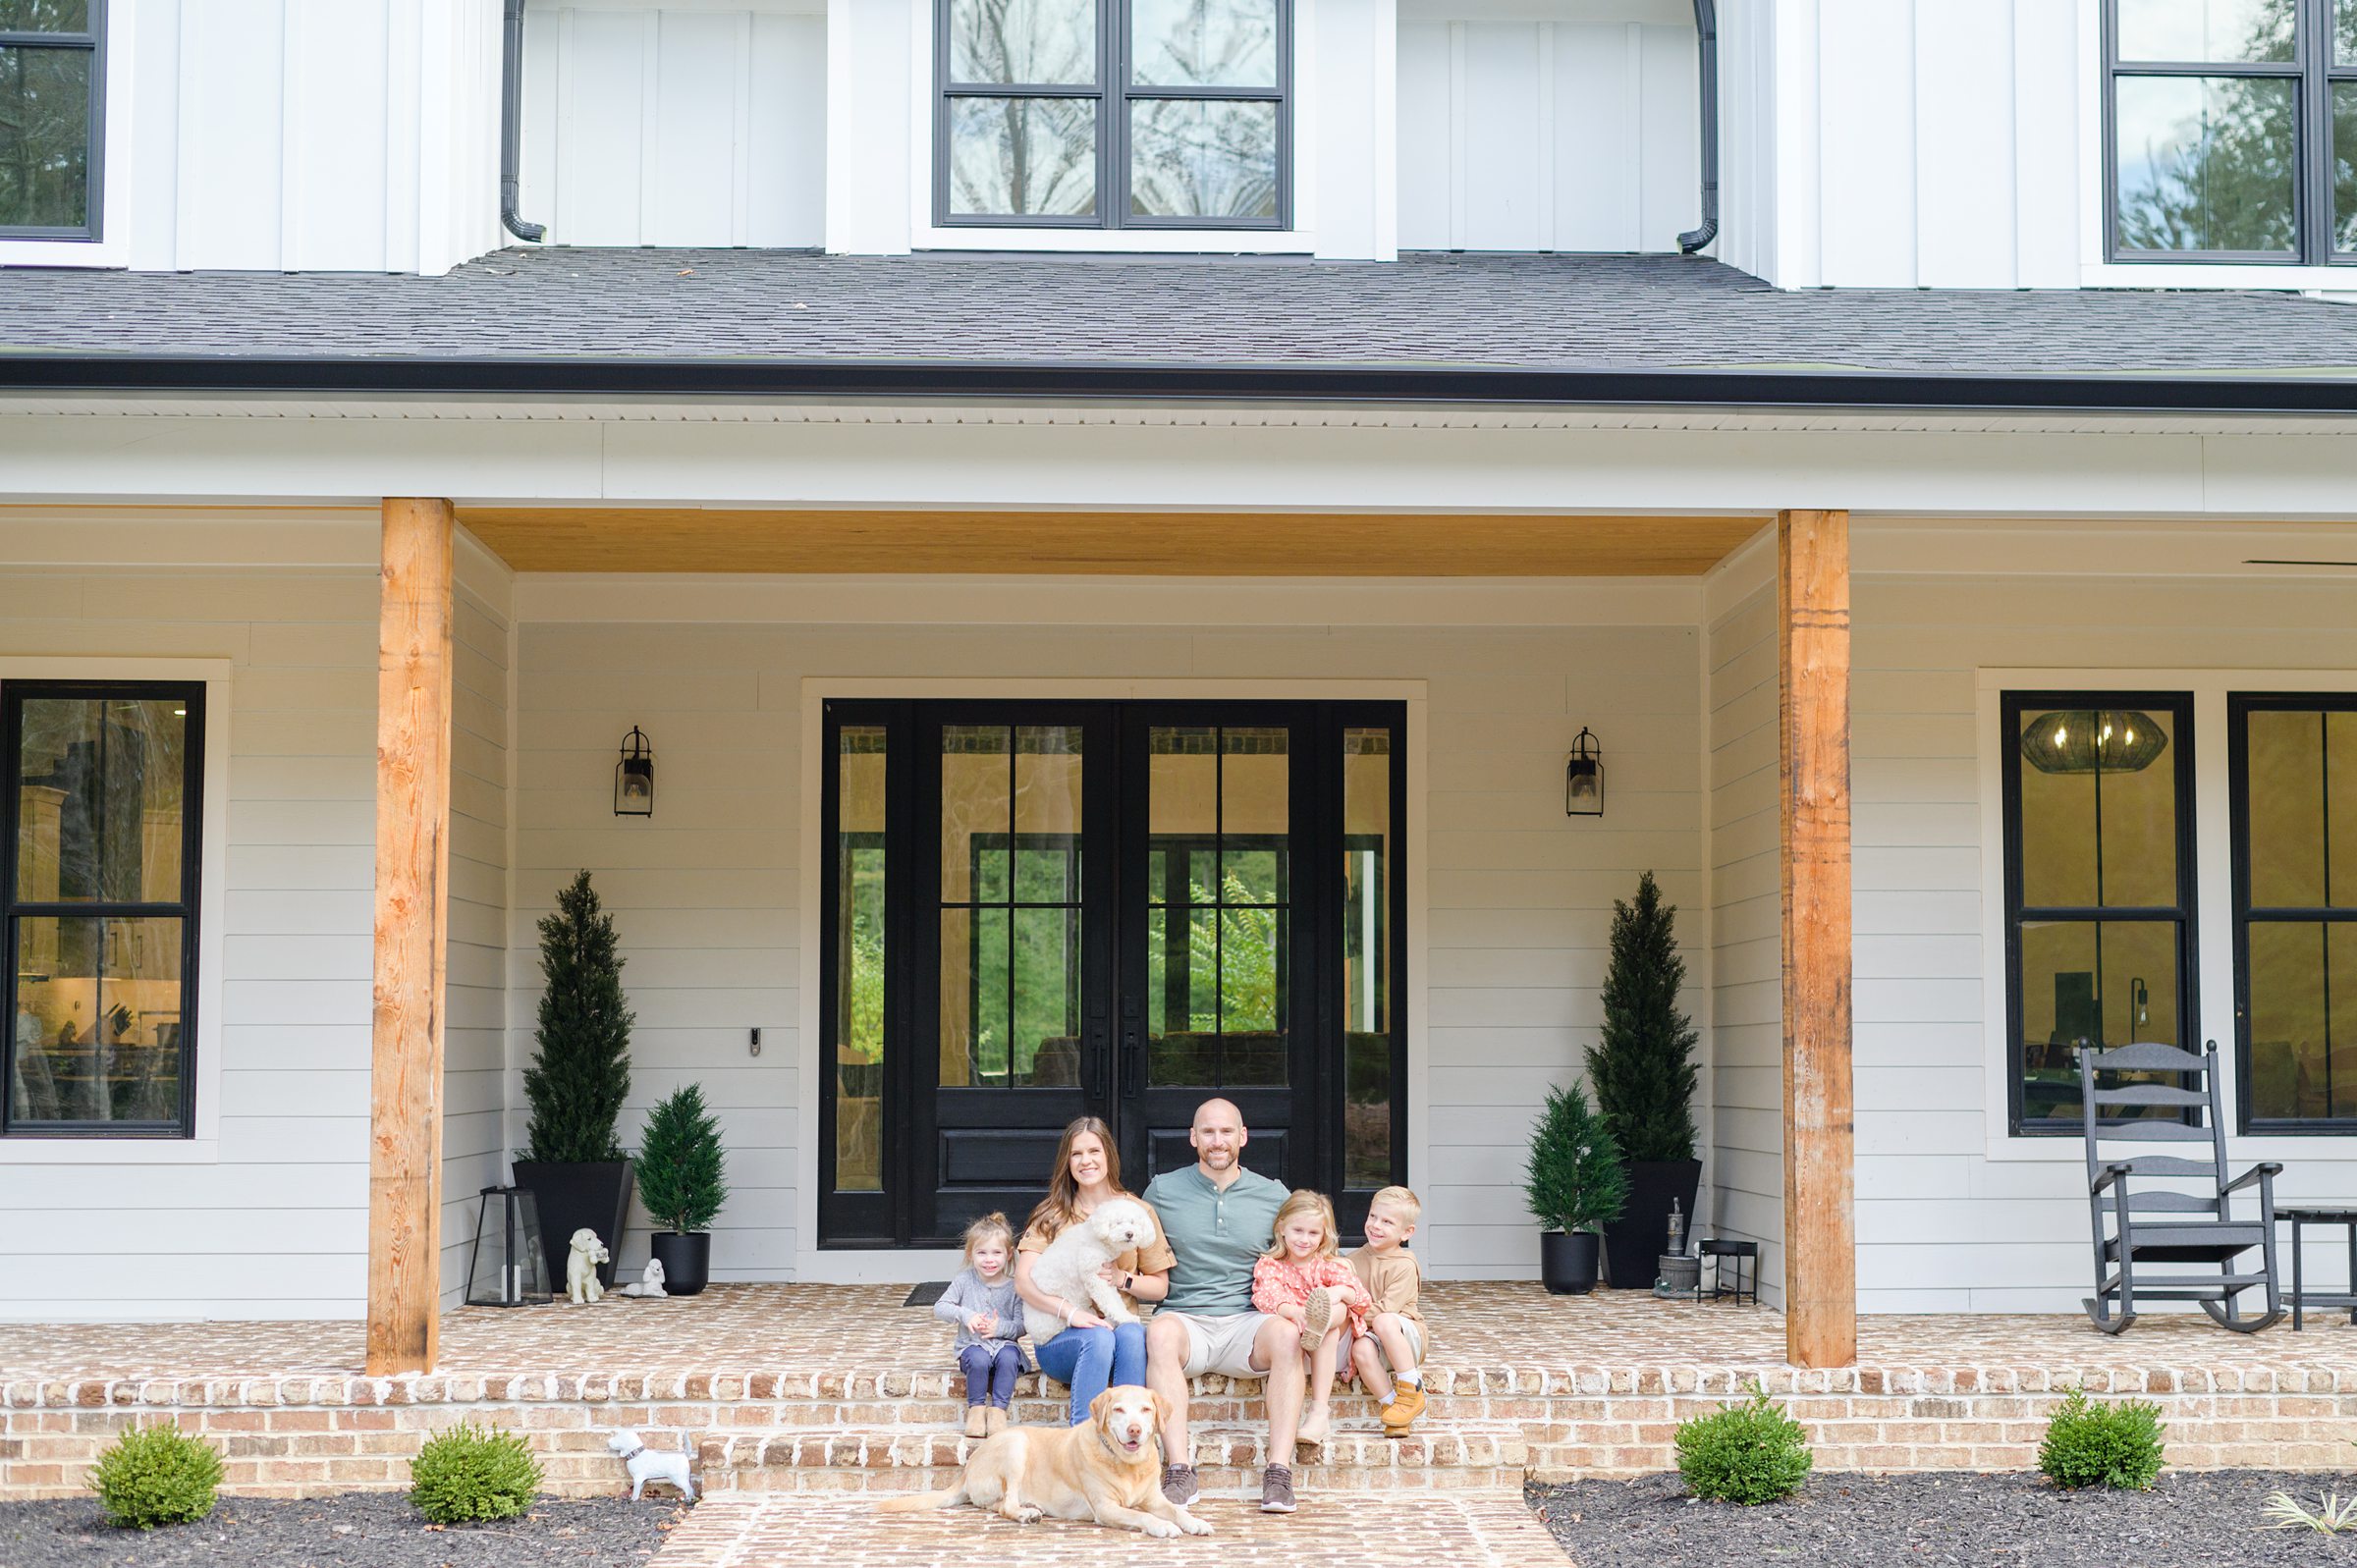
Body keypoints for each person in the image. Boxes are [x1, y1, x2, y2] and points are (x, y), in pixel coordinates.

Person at [1141, 1098, 1301, 1515]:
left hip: (1248, 1321)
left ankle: (1279, 1472)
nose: (1218, 1141)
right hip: (1185, 1319)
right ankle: (1178, 1468)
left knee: (1286, 1335)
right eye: (1208, 1132)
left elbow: (1305, 1254)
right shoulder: (1161, 1190)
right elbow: (1132, 1252)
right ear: (1194, 1138)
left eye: (1227, 1131)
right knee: (1157, 1332)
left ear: (1243, 1137)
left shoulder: (1274, 1195)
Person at [1014, 1116, 1174, 1426]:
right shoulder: (1051, 1216)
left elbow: (1160, 1287)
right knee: (1098, 1339)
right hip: (1065, 1339)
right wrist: (1070, 1313)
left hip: (1120, 1334)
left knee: (1132, 1333)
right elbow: (1023, 1282)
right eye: (1076, 1154)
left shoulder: (1135, 1212)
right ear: (1067, 1161)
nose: (1086, 1161)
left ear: (1108, 1156)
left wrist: (1122, 1279)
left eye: (1094, 1151)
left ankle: (1133, 1439)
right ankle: (1083, 1440)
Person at [1250, 1189, 1371, 1449]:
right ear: (1281, 1228)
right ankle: (1318, 1414)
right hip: (1296, 1346)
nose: (1305, 1239)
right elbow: (1266, 1297)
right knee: (1322, 1317)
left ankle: (1319, 1412)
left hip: (1332, 1347)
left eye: (1314, 1233)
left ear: (1324, 1235)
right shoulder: (1272, 1265)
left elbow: (1362, 1299)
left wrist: (1336, 1292)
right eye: (1298, 1231)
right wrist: (1294, 1312)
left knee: (1336, 1308)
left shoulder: (1329, 1264)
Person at [934, 1212, 1027, 1438]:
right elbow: (940, 1307)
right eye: (982, 1253)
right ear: (971, 1254)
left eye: (996, 1253)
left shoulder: (1015, 1287)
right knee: (979, 1359)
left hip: (1004, 1346)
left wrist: (1000, 1329)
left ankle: (998, 1412)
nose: (989, 1259)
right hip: (973, 1345)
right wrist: (966, 1315)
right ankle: (976, 1411)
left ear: (1009, 1255)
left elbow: (1022, 1326)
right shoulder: (964, 1281)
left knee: (1009, 1358)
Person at [1347, 1184, 1429, 1436]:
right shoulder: (1353, 1260)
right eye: (1373, 1216)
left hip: (1406, 1336)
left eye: (1387, 1222)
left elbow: (1386, 1310)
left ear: (1407, 1232)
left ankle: (1411, 1386)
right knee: (1360, 1348)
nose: (1376, 1225)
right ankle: (1394, 1408)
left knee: (1383, 1320)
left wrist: (1351, 1312)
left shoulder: (1404, 1264)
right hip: (1373, 1335)